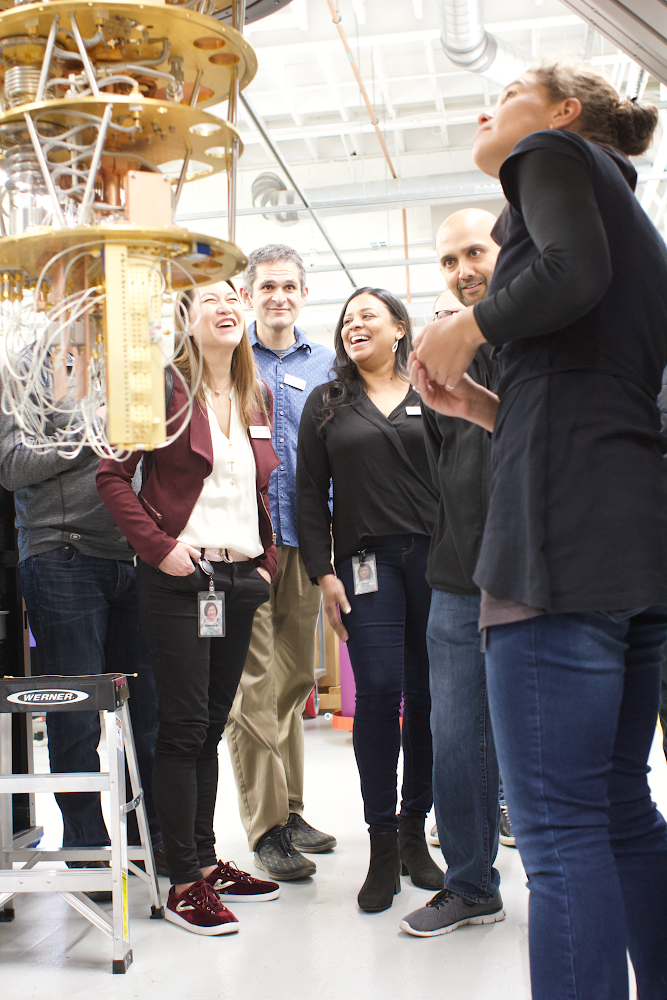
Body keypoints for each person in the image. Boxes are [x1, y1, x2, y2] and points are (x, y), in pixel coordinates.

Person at [411, 64, 667, 999]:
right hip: (631, 543)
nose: (489, 107)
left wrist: (467, 328)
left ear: (564, 113)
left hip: (554, 549)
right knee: (621, 808)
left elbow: (569, 273)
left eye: (511, 90)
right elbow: (590, 384)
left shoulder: (548, 153)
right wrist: (484, 406)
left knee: (557, 830)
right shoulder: (634, 221)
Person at [97, 279, 283, 936]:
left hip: (239, 578)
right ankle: (181, 883)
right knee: (180, 729)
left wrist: (265, 561)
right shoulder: (161, 388)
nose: (225, 306)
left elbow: (258, 486)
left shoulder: (255, 394)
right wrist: (158, 549)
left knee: (209, 727)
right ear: (186, 317)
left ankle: (204, 863)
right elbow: (111, 475)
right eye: (208, 299)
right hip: (181, 578)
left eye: (233, 296)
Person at [297, 286, 443, 912]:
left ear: (399, 328)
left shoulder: (431, 390)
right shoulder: (328, 402)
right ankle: (382, 842)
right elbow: (309, 493)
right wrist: (321, 572)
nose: (354, 325)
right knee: (379, 692)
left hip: (438, 559)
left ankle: (415, 831)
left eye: (368, 316)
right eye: (347, 318)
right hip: (365, 565)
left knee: (429, 695)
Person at [0, 358, 165, 902]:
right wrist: (92, 436)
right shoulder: (22, 373)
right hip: (61, 554)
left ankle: (150, 839)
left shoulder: (127, 363)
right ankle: (88, 846)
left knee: (147, 712)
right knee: (75, 716)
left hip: (134, 554)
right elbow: (11, 465)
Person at [226, 245, 336, 882]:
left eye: (289, 286)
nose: (279, 297)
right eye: (267, 286)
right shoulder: (227, 356)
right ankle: (266, 827)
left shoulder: (326, 363)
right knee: (253, 686)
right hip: (245, 543)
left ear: (303, 293)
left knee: (293, 682)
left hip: (305, 539)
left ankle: (291, 811)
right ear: (248, 295)